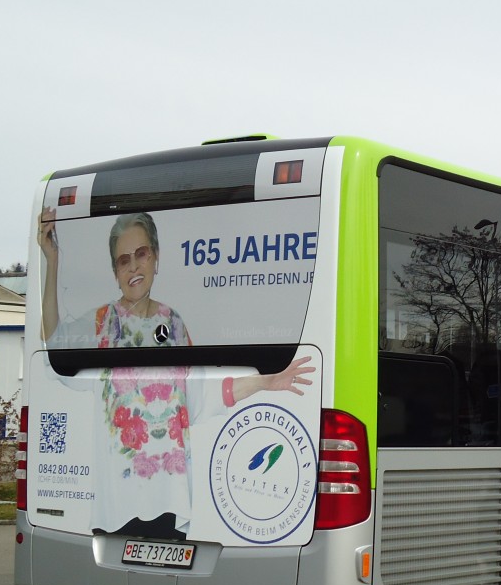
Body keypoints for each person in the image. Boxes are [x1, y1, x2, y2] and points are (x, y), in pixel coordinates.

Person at [37, 208, 316, 537]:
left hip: (168, 500)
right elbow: (53, 346)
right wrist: (52, 263)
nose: (134, 266)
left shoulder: (175, 325)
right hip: (117, 504)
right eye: (123, 260)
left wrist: (266, 381)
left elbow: (202, 393)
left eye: (141, 254)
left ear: (155, 257)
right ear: (115, 272)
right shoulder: (101, 323)